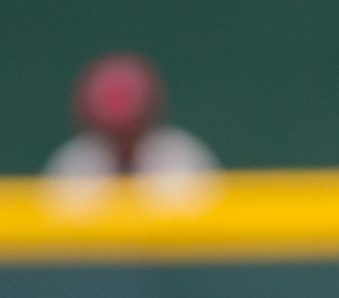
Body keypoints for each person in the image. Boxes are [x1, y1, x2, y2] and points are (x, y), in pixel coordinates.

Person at [42, 54, 219, 210]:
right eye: (111, 131)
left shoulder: (183, 158)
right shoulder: (73, 164)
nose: (122, 137)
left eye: (131, 129)